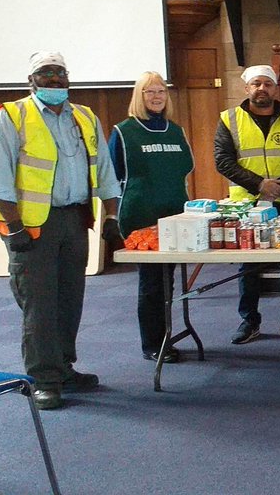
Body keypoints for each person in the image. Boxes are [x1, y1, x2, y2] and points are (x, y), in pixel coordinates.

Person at [0, 51, 123, 410]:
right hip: (31, 227)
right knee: (39, 305)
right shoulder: (9, 117)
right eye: (46, 73)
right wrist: (14, 228)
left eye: (60, 72)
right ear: (32, 80)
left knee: (69, 300)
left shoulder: (85, 117)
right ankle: (43, 379)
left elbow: (104, 170)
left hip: (75, 220)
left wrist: (111, 216)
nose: (55, 79)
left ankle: (64, 368)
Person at [214, 65, 280, 344]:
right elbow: (223, 160)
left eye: (268, 84)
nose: (262, 89)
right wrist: (260, 184)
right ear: (247, 88)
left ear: (275, 88)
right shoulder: (229, 119)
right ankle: (249, 321)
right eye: (256, 84)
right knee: (249, 265)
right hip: (246, 204)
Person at [109, 71, 194, 364]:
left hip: (174, 217)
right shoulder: (123, 131)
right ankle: (153, 343)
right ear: (139, 96)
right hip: (140, 217)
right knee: (151, 282)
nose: (156, 97)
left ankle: (166, 335)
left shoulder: (176, 130)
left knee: (167, 280)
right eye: (150, 92)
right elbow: (114, 174)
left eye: (161, 91)